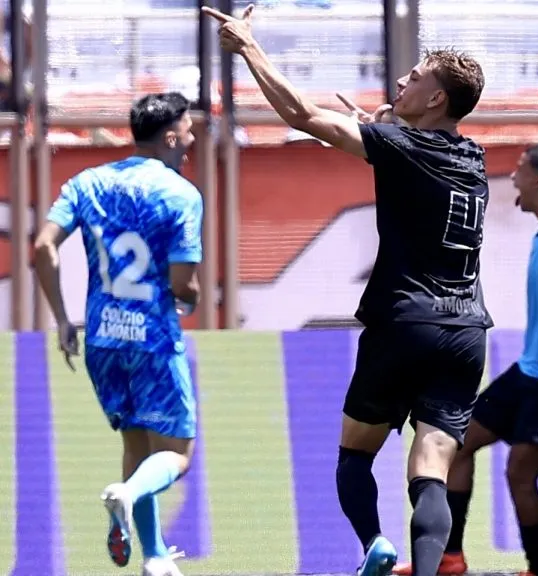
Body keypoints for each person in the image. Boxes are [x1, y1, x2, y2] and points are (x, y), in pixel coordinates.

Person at [203, 7, 491, 576]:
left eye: (415, 77)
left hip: (405, 324)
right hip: (465, 332)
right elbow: (413, 157)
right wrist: (384, 130)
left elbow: (302, 115)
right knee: (431, 469)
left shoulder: (401, 146)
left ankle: (375, 544)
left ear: (437, 99)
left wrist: (248, 48)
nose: (402, 80)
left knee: (355, 454)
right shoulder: (472, 156)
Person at [33, 92, 201, 576]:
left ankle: (154, 556)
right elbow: (182, 283)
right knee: (176, 455)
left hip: (102, 338)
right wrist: (191, 297)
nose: (191, 138)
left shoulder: (88, 182)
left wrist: (62, 319)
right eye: (187, 130)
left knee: (136, 447)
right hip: (152, 339)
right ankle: (127, 493)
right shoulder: (180, 194)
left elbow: (43, 246)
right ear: (171, 138)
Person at [418, 144, 538, 576]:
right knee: (457, 445)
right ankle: (450, 558)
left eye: (520, 170)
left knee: (520, 475)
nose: (513, 178)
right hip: (528, 372)